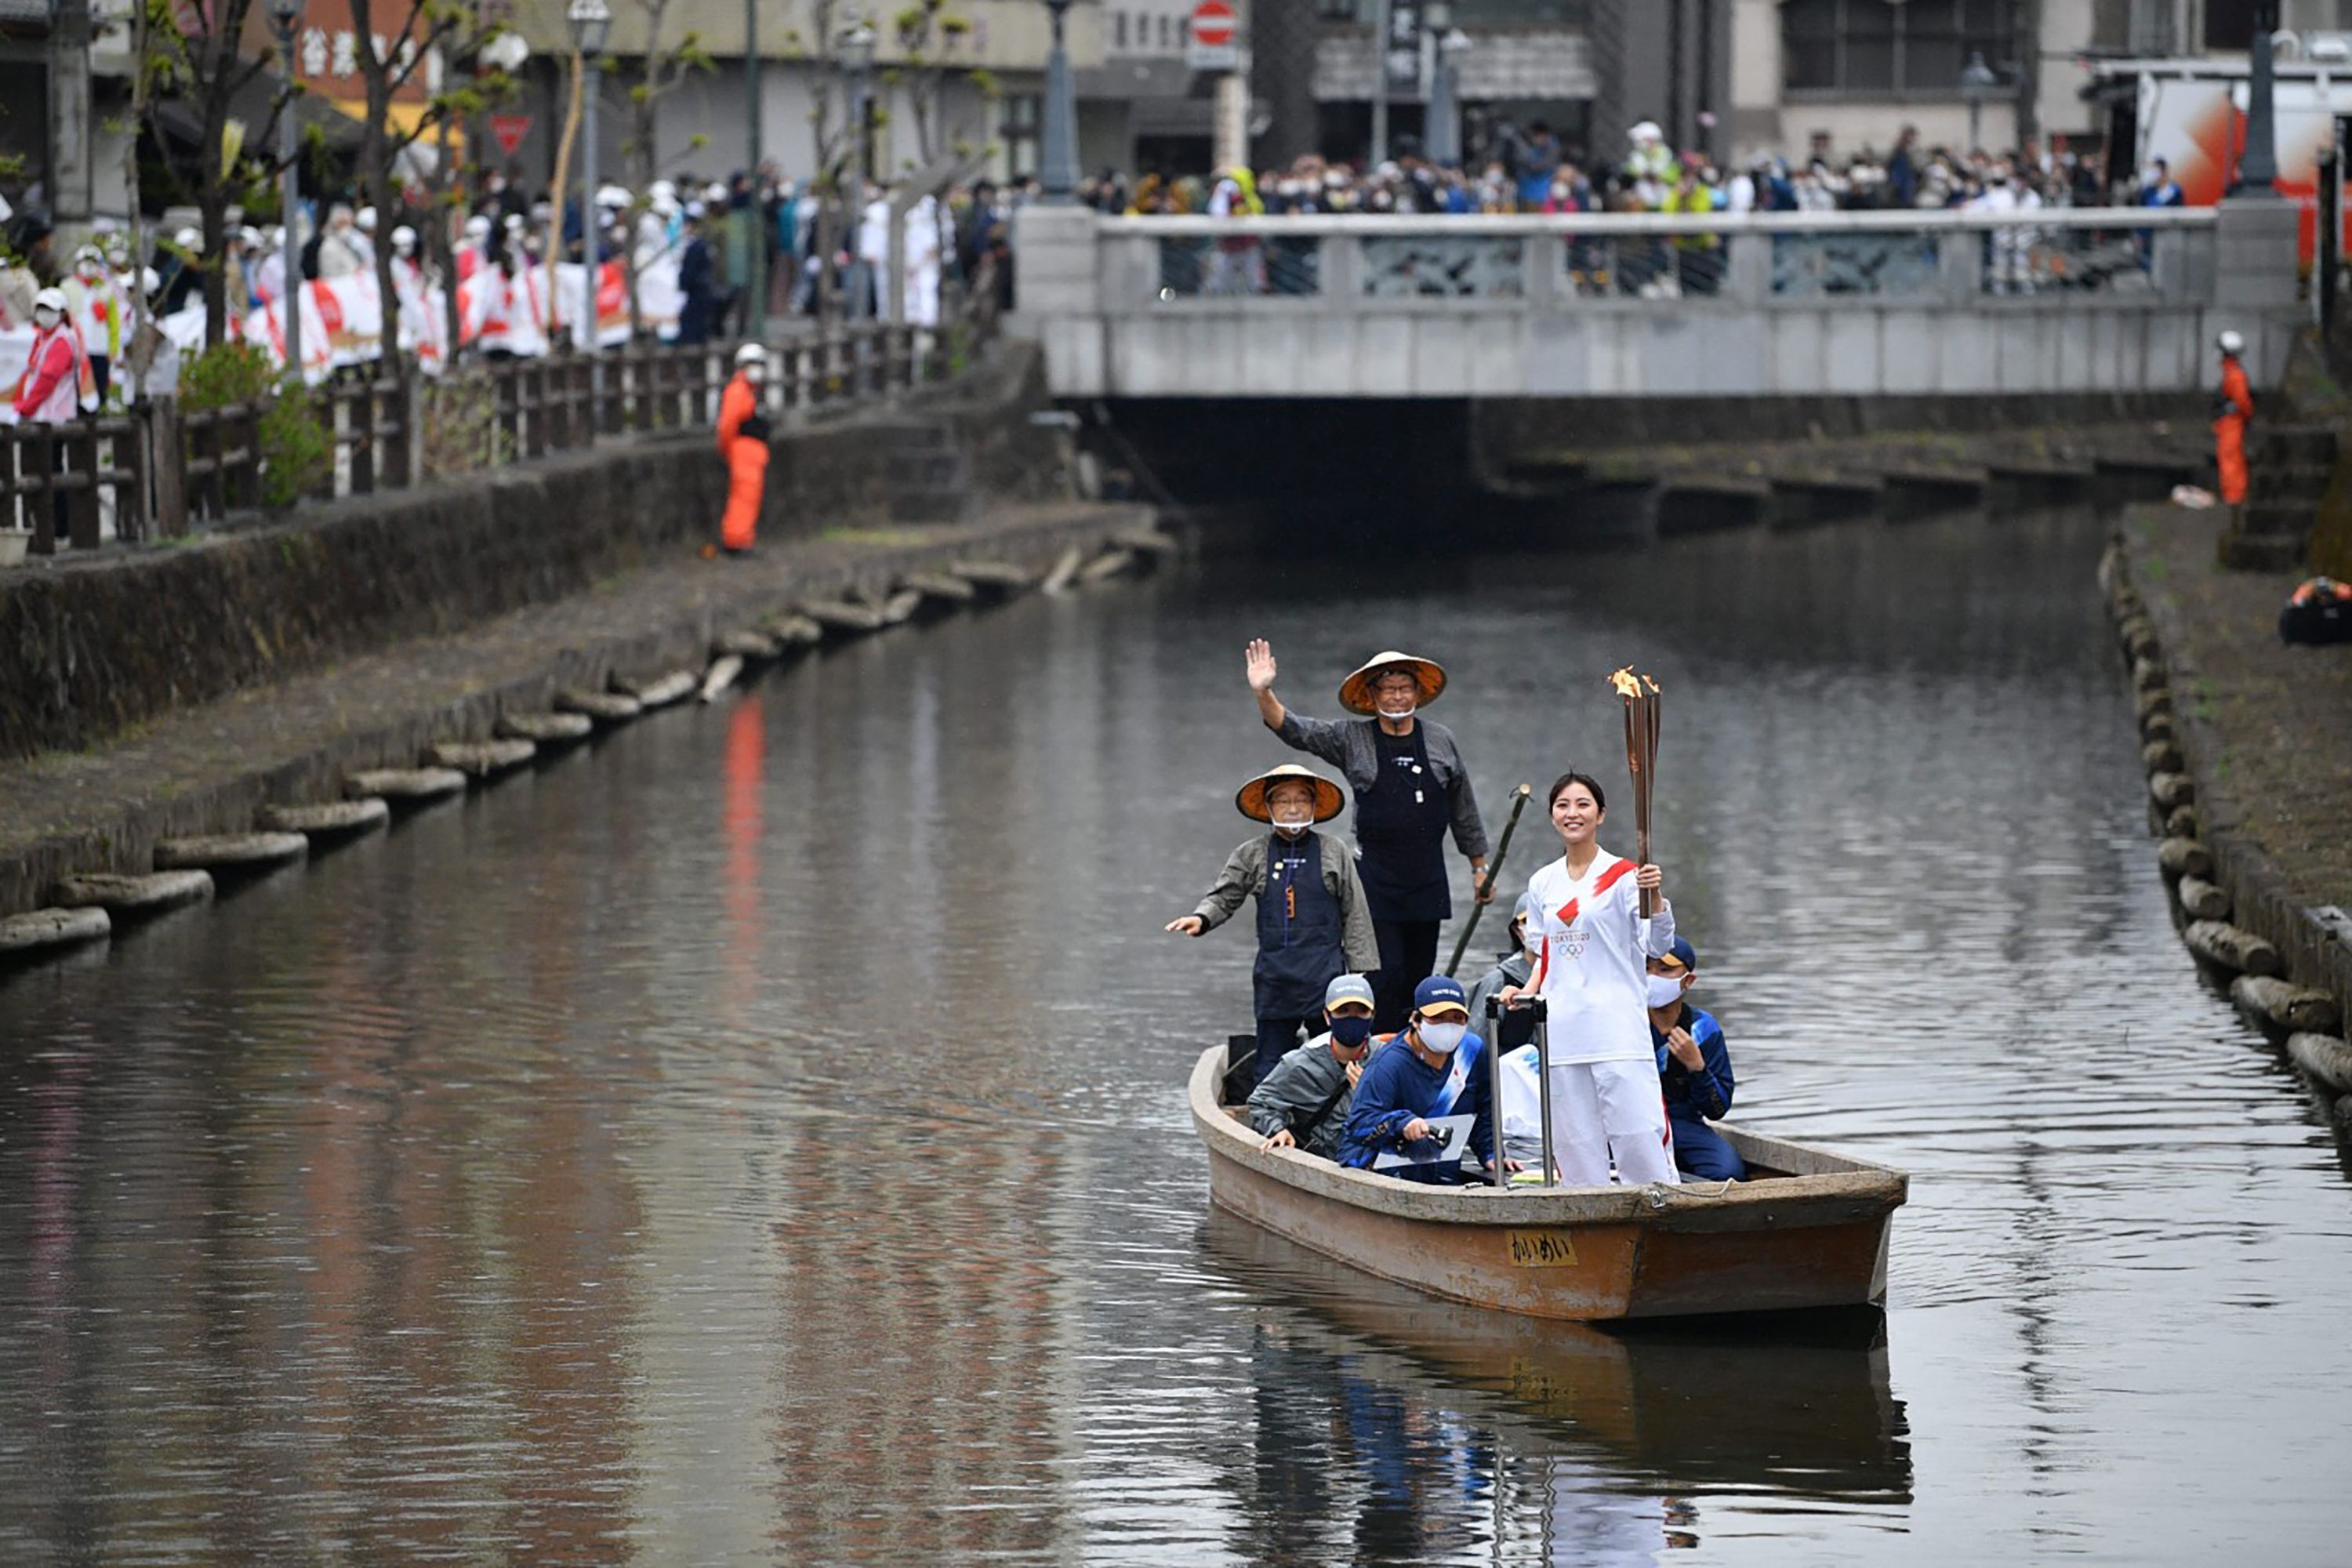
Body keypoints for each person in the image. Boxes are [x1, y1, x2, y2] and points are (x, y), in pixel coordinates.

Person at [1247, 641, 1490, 1034]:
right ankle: (1376, 1058)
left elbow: (1463, 808)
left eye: (1404, 688)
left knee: (1418, 981)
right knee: (1384, 977)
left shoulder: (1441, 740)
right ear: (1372, 695)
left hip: (1427, 881)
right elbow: (1294, 730)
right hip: (1374, 883)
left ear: (1418, 692)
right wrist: (1263, 691)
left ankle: (1417, 1055)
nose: (1396, 696)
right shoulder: (1352, 739)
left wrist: (1479, 866)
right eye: (1387, 689)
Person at [1501, 771, 1679, 1189]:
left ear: (1601, 815)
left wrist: (1654, 895)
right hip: (1564, 1031)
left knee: (1637, 1135)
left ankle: (1659, 1210)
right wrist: (1525, 991)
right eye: (1563, 805)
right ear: (1552, 816)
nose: (1572, 813)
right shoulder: (1543, 882)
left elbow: (1656, 944)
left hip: (1617, 1030)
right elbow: (1547, 953)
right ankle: (1587, 1220)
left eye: (1583, 805)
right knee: (1575, 1143)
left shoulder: (1625, 875)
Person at [1170, 764, 1379, 1083]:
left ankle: (1334, 1122)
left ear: (1313, 805)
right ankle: (1267, 1123)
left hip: (1325, 974)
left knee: (1334, 1057)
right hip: (1275, 977)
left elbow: (1356, 911)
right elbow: (1225, 895)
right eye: (1282, 801)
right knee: (1270, 1058)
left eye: (1301, 800)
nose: (1293, 808)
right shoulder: (1251, 853)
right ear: (1268, 807)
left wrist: (1360, 972)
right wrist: (1201, 918)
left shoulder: (1333, 851)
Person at [1338, 977, 1508, 1185]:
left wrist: (1491, 1153)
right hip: (1387, 1170)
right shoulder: (1388, 1064)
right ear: (1416, 1020)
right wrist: (1401, 1123)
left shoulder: (1472, 1050)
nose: (1448, 1025)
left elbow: (1486, 1106)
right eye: (1438, 1017)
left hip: (1441, 1161)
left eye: (1457, 1017)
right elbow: (1359, 1123)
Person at [1247, 973, 1377, 1159]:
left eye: (1361, 1011)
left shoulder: (1387, 1061)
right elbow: (1261, 1102)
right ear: (1327, 1016)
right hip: (1320, 1159)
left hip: (1371, 1159)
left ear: (1372, 1015)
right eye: (1343, 1011)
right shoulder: (1300, 1063)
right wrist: (1277, 1130)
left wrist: (1369, 1096)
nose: (1352, 1018)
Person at [1647, 937, 1744, 1181]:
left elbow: (1717, 1109)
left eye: (1665, 970)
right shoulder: (1624, 1023)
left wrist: (1697, 1067)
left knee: (1728, 1174)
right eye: (1646, 968)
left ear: (1688, 981)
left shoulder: (1704, 1029)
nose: (1653, 976)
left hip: (1683, 1123)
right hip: (1632, 1124)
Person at [1465, 893, 1541, 1051]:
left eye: (1544, 920)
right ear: (1517, 930)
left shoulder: (1573, 978)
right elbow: (1475, 1045)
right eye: (1528, 921)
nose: (1538, 928)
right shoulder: (1497, 982)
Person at [715, 343, 771, 557]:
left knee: (750, 496)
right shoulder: (738, 390)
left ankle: (743, 538)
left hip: (752, 451)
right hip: (743, 450)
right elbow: (728, 425)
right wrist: (729, 449)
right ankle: (736, 540)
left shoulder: (750, 391)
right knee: (744, 496)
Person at [2214, 329, 2252, 521]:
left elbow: (2243, 403)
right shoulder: (2231, 372)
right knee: (2229, 459)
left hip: (2231, 423)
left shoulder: (2235, 375)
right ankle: (2233, 496)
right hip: (2228, 423)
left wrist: (2243, 417)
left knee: (2230, 459)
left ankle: (2234, 497)